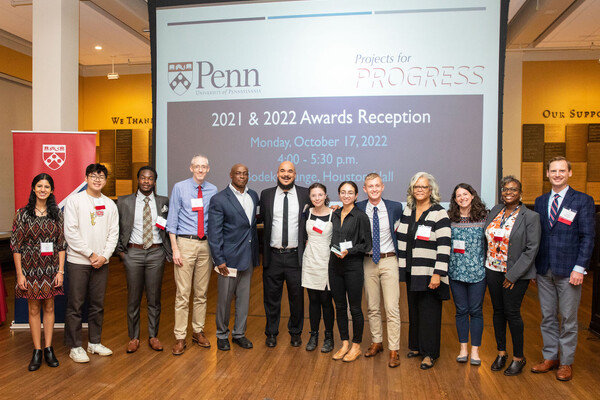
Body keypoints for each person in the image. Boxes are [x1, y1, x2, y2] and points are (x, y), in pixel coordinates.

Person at [531, 157, 595, 381]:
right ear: (547, 174)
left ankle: (566, 363)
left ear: (569, 173)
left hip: (570, 270)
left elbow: (587, 237)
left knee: (568, 318)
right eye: (553, 171)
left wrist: (580, 268)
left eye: (561, 171)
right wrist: (534, 269)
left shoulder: (583, 200)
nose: (557, 174)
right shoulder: (540, 201)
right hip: (544, 269)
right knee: (547, 316)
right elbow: (537, 236)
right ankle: (550, 357)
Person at [484, 176, 540, 376]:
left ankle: (518, 357)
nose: (508, 192)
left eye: (513, 189)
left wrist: (513, 275)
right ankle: (501, 353)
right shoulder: (495, 211)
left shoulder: (530, 217)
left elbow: (531, 249)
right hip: (492, 269)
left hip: (515, 275)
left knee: (512, 312)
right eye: (505, 189)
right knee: (498, 312)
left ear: (520, 193)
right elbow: (487, 239)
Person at [64, 164, 119, 363]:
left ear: (106, 180)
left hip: (101, 263)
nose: (97, 179)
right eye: (93, 176)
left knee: (97, 304)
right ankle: (75, 346)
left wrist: (104, 256)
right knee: (75, 305)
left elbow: (114, 234)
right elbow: (70, 232)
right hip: (79, 261)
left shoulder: (110, 204)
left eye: (101, 176)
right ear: (86, 177)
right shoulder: (75, 201)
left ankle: (94, 342)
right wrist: (90, 254)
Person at [11, 173, 66, 370]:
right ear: (33, 188)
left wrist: (60, 271)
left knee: (49, 307)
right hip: (29, 268)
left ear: (51, 190)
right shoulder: (22, 213)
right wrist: (19, 274)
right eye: (39, 186)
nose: (43, 189)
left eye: (47, 186)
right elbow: (16, 246)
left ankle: (49, 348)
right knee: (33, 309)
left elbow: (61, 245)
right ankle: (37, 351)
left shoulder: (57, 213)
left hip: (51, 268)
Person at [396, 172, 451, 370]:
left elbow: (445, 245)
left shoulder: (439, 212)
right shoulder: (408, 210)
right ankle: (417, 347)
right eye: (416, 187)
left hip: (429, 272)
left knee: (430, 313)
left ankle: (430, 353)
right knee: (415, 310)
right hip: (412, 271)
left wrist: (438, 273)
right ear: (412, 190)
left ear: (431, 190)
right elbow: (402, 232)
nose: (419, 190)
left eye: (424, 187)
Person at [116, 166, 171, 354]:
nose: (146, 181)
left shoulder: (164, 202)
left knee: (154, 298)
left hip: (156, 253)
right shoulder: (124, 202)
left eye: (150, 179)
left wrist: (165, 252)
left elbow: (169, 227)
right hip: (133, 253)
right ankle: (134, 337)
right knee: (134, 298)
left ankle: (153, 336)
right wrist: (122, 253)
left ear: (155, 181)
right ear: (137, 179)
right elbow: (115, 228)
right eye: (143, 178)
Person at [167, 154, 218, 355]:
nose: (200, 170)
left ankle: (197, 331)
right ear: (190, 168)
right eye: (196, 166)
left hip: (205, 245)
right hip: (185, 243)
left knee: (201, 292)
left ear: (208, 169)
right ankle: (180, 336)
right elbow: (172, 219)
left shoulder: (213, 190)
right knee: (183, 293)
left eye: (203, 167)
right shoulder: (180, 187)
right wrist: (175, 248)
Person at [208, 164, 259, 351]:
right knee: (224, 300)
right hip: (227, 260)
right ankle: (222, 335)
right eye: (238, 173)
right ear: (231, 175)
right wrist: (219, 259)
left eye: (245, 173)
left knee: (244, 300)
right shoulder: (219, 199)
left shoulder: (253, 195)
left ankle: (239, 334)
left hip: (248, 258)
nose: (242, 176)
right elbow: (214, 233)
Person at [260, 161, 311, 348]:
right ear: (277, 173)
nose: (286, 174)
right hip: (272, 255)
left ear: (295, 174)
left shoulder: (306, 194)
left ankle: (295, 332)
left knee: (296, 298)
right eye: (282, 171)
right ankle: (271, 333)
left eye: (290, 171)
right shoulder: (266, 195)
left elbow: (321, 208)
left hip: (295, 256)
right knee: (271, 298)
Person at [356, 173, 403, 368]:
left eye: (377, 186)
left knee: (392, 308)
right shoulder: (358, 207)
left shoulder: (395, 207)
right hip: (368, 261)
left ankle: (394, 349)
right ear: (365, 189)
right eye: (370, 186)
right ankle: (377, 342)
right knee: (372, 306)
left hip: (389, 260)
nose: (374, 189)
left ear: (382, 187)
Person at [330, 181, 372, 362]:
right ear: (339, 194)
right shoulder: (334, 213)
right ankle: (345, 344)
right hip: (334, 266)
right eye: (343, 192)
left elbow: (367, 245)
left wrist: (350, 251)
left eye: (350, 192)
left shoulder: (361, 216)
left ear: (356, 195)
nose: (346, 195)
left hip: (353, 266)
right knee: (340, 307)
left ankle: (356, 346)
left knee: (355, 308)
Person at [447, 183, 488, 366]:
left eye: (465, 194)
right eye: (458, 195)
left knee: (476, 311)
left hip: (478, 272)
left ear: (472, 196)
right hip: (456, 272)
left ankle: (475, 351)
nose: (462, 197)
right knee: (461, 311)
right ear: (455, 200)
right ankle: (463, 349)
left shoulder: (485, 217)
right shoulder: (450, 218)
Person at [301, 183, 335, 353]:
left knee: (326, 301)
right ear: (310, 197)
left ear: (325, 195)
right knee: (313, 300)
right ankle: (313, 335)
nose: (317, 198)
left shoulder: (333, 214)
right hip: (310, 260)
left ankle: (329, 337)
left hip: (326, 261)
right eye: (314, 195)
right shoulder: (306, 212)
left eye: (320, 195)